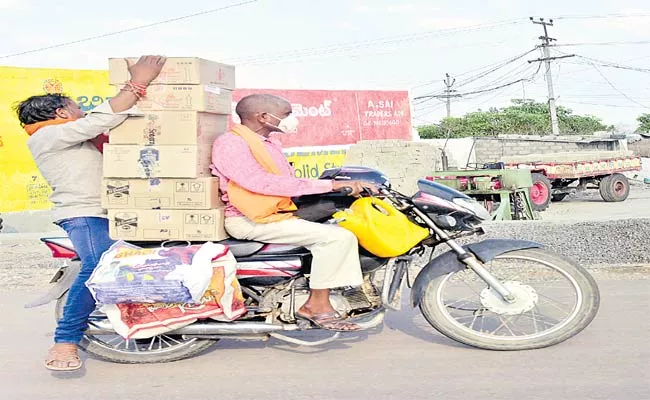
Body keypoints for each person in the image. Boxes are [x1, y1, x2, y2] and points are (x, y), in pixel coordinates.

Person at [17, 55, 166, 371]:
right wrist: (138, 82)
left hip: (113, 211)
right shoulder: (47, 135)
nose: (82, 112)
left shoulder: (73, 136)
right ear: (61, 113)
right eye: (76, 108)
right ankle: (65, 341)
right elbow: (102, 117)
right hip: (85, 213)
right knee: (97, 264)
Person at [211, 93, 376, 332]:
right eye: (286, 114)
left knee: (339, 223)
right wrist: (330, 186)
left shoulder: (267, 143)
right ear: (264, 117)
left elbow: (286, 181)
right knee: (337, 238)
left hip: (272, 213)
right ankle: (316, 305)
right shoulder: (231, 143)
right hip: (251, 219)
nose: (291, 119)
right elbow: (261, 183)